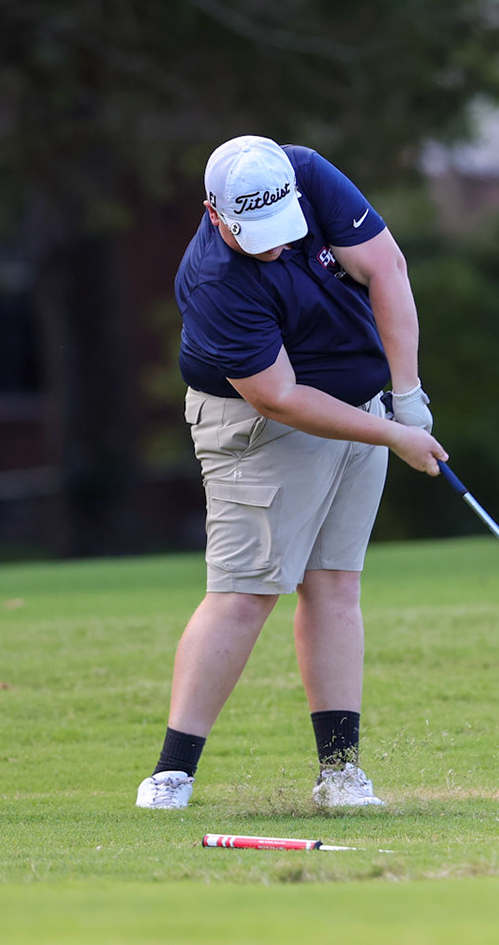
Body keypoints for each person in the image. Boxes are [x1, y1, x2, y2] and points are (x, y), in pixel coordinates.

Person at [135, 135, 446, 810]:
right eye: (256, 236)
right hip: (262, 430)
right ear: (215, 216)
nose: (275, 246)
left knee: (335, 585)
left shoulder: (303, 171)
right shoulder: (213, 279)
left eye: (283, 232)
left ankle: (340, 775)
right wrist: (394, 433)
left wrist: (408, 394)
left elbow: (387, 268)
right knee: (246, 592)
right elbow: (279, 397)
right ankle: (171, 776)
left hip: (364, 409)